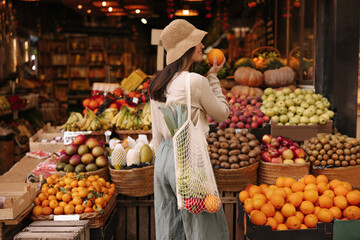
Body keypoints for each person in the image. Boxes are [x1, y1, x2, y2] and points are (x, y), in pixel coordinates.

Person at [149, 19, 230, 240]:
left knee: (170, 226)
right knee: (202, 229)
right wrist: (213, 77)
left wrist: (162, 162)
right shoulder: (195, 81)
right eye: (197, 42)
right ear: (186, 48)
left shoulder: (157, 83)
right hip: (187, 158)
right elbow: (223, 113)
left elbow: (156, 131)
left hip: (164, 158)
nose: (202, 46)